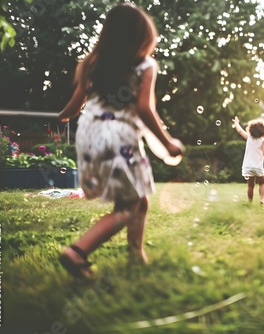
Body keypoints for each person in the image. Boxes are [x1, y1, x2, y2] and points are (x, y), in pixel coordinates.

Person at [58, 3, 184, 278]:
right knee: (128, 208)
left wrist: (63, 115)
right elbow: (144, 109)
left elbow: (76, 103)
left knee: (139, 199)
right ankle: (78, 251)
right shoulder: (145, 65)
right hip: (119, 139)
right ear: (140, 40)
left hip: (89, 136)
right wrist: (168, 142)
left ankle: (136, 253)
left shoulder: (91, 64)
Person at [232, 116, 264, 205]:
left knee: (250, 185)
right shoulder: (263, 141)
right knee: (262, 183)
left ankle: (250, 202)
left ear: (251, 130)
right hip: (258, 166)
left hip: (248, 166)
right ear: (263, 131)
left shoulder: (249, 137)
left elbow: (240, 131)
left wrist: (236, 123)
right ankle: (262, 199)